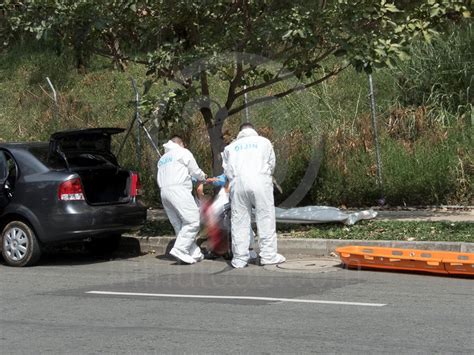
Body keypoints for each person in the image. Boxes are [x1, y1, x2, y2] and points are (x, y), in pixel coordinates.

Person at [222, 123, 286, 268]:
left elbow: (227, 169)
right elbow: (271, 164)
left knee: (239, 220)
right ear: (253, 130)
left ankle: (239, 258)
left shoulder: (230, 147)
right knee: (265, 217)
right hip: (260, 181)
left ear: (240, 132)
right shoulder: (264, 142)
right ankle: (268, 256)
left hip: (237, 183)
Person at [157, 135, 207, 264]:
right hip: (179, 190)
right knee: (192, 221)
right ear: (181, 144)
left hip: (164, 192)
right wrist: (203, 177)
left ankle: (194, 253)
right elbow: (195, 171)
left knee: (179, 224)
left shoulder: (163, 158)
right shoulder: (183, 152)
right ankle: (180, 249)